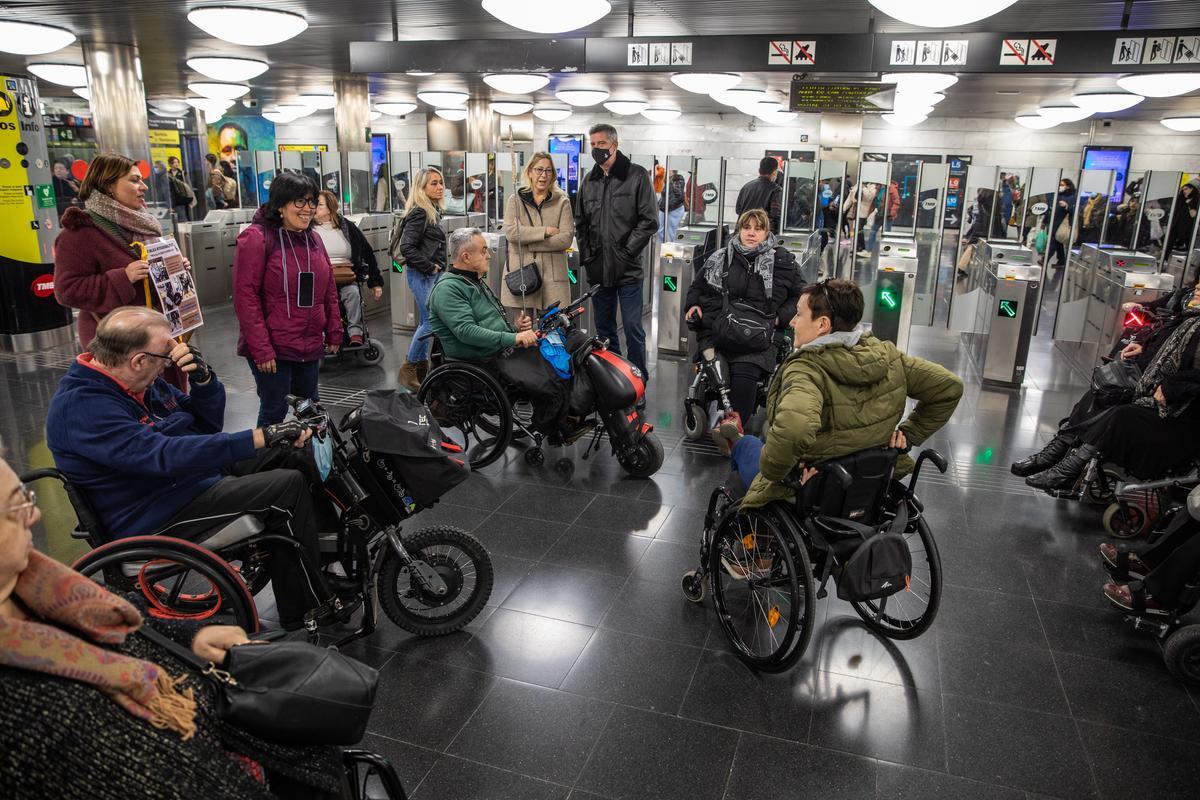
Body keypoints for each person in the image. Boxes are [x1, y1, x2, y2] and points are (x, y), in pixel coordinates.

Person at [0, 446, 347, 799]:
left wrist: (190, 636)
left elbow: (125, 617)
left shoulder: (36, 582)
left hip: (178, 491)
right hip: (155, 511)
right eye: (16, 507)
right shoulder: (33, 714)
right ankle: (310, 604)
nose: (35, 515)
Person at [46, 306, 343, 632]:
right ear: (139, 360)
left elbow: (205, 426)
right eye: (167, 353)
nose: (173, 358)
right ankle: (306, 608)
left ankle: (322, 565)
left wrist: (203, 382)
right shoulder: (82, 405)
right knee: (284, 487)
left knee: (292, 454)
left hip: (180, 480)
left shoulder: (138, 379)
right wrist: (256, 436)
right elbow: (162, 454)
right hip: (151, 511)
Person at [715, 280, 963, 510]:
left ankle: (752, 544)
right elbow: (949, 387)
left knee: (746, 446)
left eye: (799, 314)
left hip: (814, 485)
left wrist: (777, 472)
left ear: (822, 324)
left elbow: (795, 428)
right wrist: (908, 434)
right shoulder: (888, 357)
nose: (792, 322)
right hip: (869, 481)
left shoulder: (807, 369)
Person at [53, 152, 191, 392]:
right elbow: (67, 291)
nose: (144, 186)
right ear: (108, 186)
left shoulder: (144, 225)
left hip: (159, 343)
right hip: (122, 353)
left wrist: (174, 267)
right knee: (138, 416)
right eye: (134, 180)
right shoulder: (79, 233)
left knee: (172, 409)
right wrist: (122, 278)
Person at [1024, 311, 1200, 492]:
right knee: (1102, 392)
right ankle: (1057, 450)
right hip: (1157, 395)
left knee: (1123, 415)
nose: (1196, 288)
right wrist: (1144, 348)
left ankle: (1068, 470)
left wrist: (1174, 387)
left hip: (1183, 416)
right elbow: (1166, 354)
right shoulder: (1190, 319)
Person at [428, 228, 569, 436]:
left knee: (555, 354)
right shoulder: (448, 289)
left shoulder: (472, 280)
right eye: (484, 250)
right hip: (480, 360)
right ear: (466, 256)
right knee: (547, 372)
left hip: (495, 350)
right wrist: (514, 337)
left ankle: (560, 416)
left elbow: (487, 324)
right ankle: (555, 423)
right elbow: (466, 331)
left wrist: (515, 329)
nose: (489, 254)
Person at [234, 172, 342, 426]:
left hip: (309, 343)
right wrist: (261, 349)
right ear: (280, 205)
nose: (308, 209)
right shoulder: (256, 238)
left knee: (312, 410)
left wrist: (334, 330)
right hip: (273, 348)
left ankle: (315, 464)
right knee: (274, 411)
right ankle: (266, 464)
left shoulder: (313, 239)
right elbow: (245, 298)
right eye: (299, 202)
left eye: (312, 202)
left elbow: (328, 289)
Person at [684, 209, 800, 433]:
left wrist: (779, 318)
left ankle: (733, 428)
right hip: (721, 328)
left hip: (759, 335)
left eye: (758, 228)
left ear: (767, 232)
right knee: (716, 367)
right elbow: (697, 287)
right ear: (739, 229)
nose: (751, 233)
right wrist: (693, 305)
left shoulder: (783, 262)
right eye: (747, 227)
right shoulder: (720, 258)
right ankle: (729, 427)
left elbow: (800, 296)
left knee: (744, 375)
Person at [575, 123, 658, 388]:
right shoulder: (589, 180)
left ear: (614, 144)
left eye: (601, 144)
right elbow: (581, 223)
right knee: (605, 329)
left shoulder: (637, 176)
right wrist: (588, 256)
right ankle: (616, 379)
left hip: (629, 270)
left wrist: (626, 251)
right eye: (593, 144)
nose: (597, 149)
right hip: (599, 269)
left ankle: (638, 381)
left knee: (633, 328)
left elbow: (649, 221)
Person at [501, 151, 574, 316]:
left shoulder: (562, 202)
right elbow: (512, 233)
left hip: (552, 279)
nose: (543, 175)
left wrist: (527, 240)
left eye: (548, 171)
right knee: (523, 333)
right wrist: (546, 231)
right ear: (530, 172)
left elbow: (565, 240)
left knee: (552, 332)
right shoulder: (516, 200)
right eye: (539, 169)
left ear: (553, 175)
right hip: (522, 274)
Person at [395, 167, 448, 392]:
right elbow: (407, 247)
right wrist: (430, 267)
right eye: (433, 183)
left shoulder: (432, 210)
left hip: (429, 274)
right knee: (430, 321)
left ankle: (420, 368)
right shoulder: (420, 212)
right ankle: (408, 368)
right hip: (422, 273)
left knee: (428, 321)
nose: (439, 187)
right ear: (422, 188)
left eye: (440, 182)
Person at [313, 189, 384, 346]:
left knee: (352, 294)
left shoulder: (346, 226)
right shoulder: (308, 229)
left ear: (330, 207)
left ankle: (355, 333)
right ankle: (324, 336)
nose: (314, 208)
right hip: (320, 278)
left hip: (346, 274)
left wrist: (375, 281)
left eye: (319, 205)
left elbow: (367, 251)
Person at [735, 157, 784, 235]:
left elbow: (738, 210)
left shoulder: (747, 186)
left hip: (741, 233)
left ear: (759, 171)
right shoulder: (776, 189)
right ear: (775, 172)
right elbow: (775, 216)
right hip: (759, 235)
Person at [1046, 178, 1077, 268]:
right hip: (1053, 223)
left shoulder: (1071, 197)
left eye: (1062, 185)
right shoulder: (1057, 196)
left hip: (1061, 225)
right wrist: (1045, 221)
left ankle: (1045, 259)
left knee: (1053, 242)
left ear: (1068, 186)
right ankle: (1061, 261)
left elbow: (1073, 210)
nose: (1060, 187)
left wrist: (1066, 206)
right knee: (1058, 243)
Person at [658, 168, 686, 242]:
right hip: (665, 209)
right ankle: (665, 245)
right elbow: (664, 196)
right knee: (659, 229)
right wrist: (660, 204)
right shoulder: (667, 180)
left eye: (669, 169)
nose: (666, 171)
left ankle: (673, 248)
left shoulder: (677, 180)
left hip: (674, 209)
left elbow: (680, 196)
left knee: (673, 232)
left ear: (673, 171)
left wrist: (668, 206)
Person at [166, 155, 194, 222]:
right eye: (174, 162)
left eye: (177, 162)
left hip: (182, 197)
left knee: (183, 217)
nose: (176, 164)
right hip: (172, 198)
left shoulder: (182, 173)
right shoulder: (167, 174)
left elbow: (188, 185)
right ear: (170, 164)